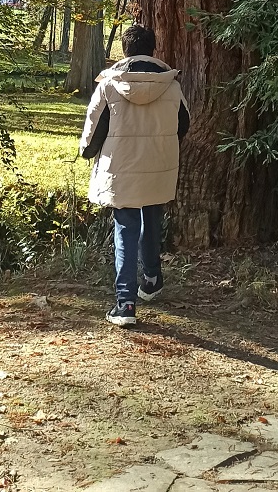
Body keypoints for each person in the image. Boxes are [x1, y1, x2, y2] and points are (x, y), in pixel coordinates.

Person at [79, 23, 190, 327]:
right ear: (153, 50)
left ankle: (125, 304)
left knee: (126, 227)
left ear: (125, 50)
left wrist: (87, 152)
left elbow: (93, 130)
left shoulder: (109, 84)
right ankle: (152, 280)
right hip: (158, 164)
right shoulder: (172, 85)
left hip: (121, 168)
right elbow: (184, 124)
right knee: (153, 218)